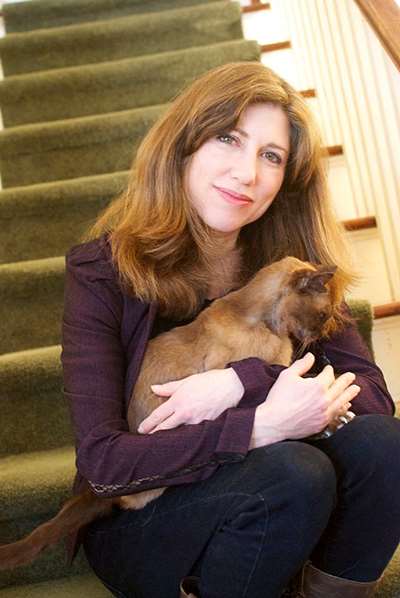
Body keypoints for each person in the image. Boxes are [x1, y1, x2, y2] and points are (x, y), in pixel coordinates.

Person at [61, 62, 400, 598]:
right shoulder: (103, 272)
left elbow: (374, 397)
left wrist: (241, 382)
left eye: (271, 156)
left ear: (286, 179)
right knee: (295, 470)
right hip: (150, 513)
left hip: (287, 497)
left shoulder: (291, 273)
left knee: (384, 444)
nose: (248, 173)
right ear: (183, 146)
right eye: (228, 139)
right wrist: (257, 427)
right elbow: (106, 463)